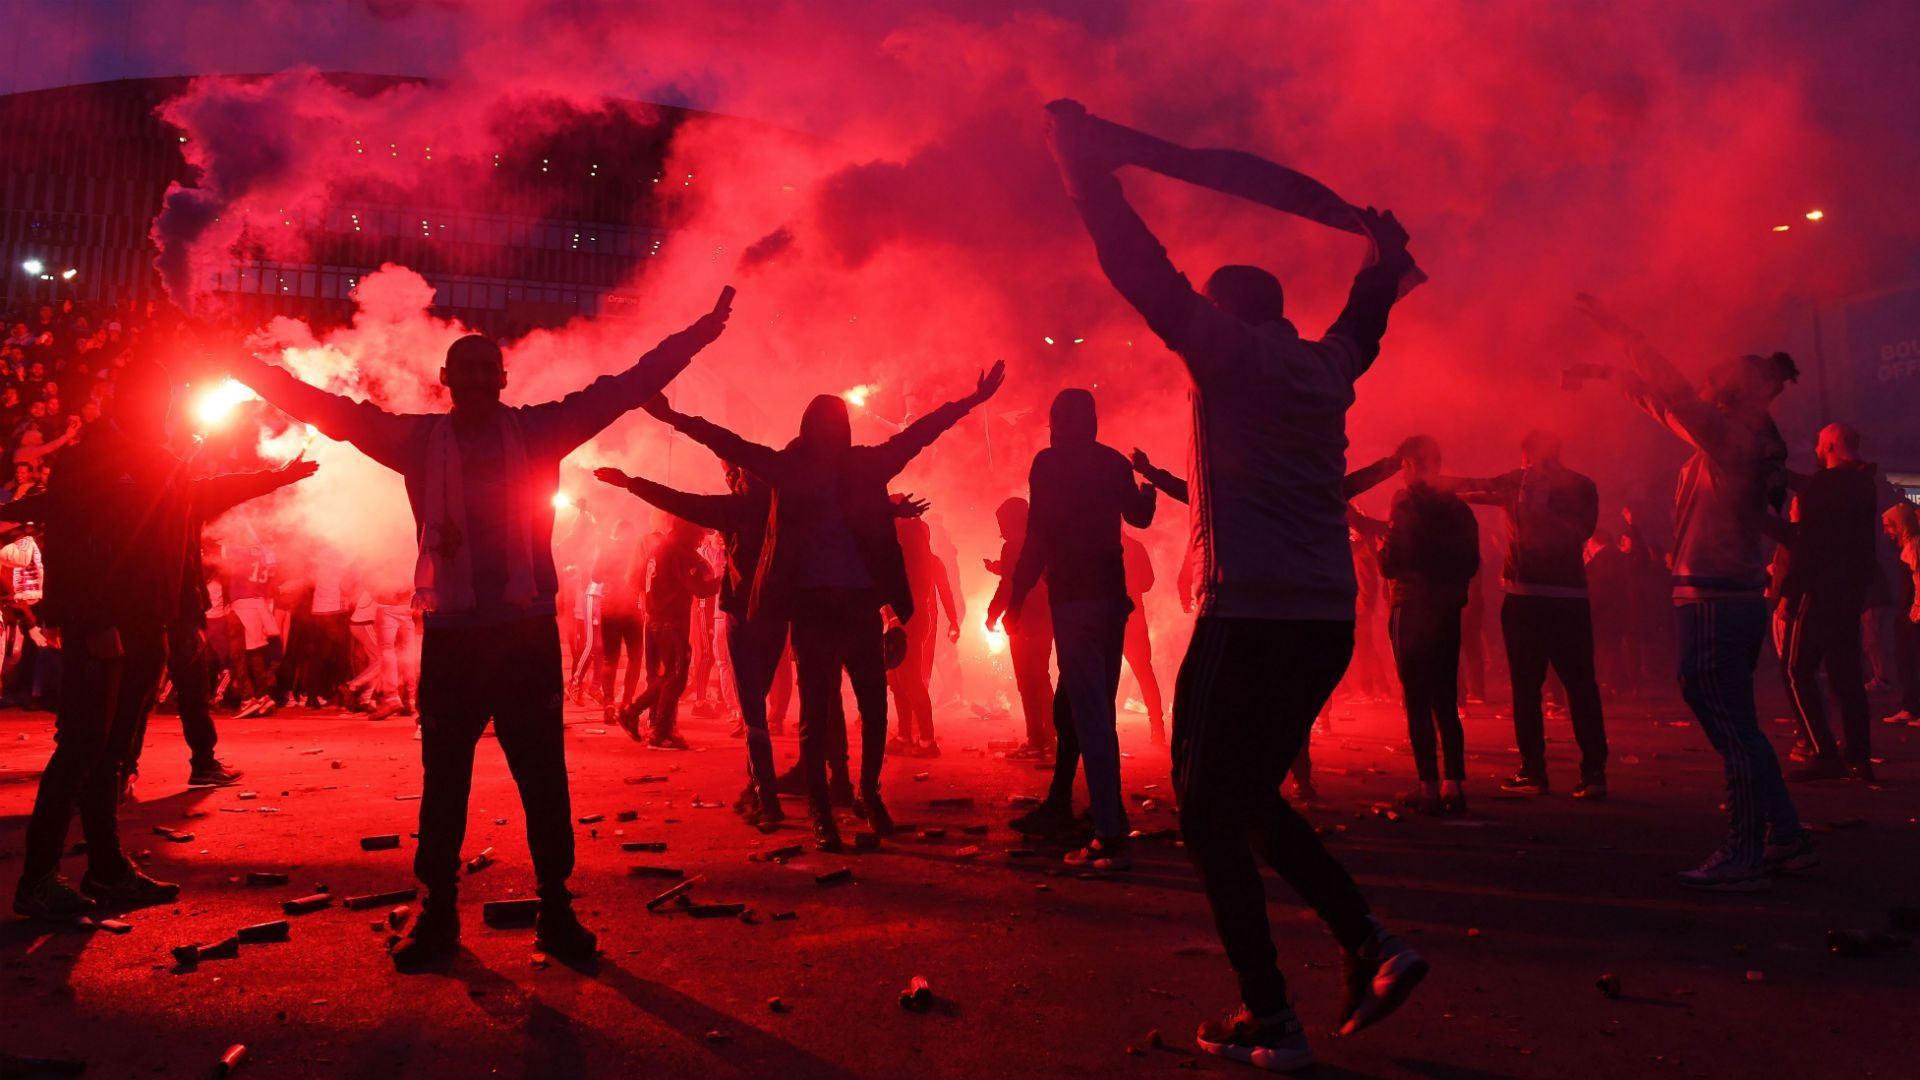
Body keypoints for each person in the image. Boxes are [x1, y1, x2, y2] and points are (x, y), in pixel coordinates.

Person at [1049, 98, 1425, 1071]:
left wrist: (1086, 175)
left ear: (1227, 312)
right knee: (1247, 797)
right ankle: (1369, 947)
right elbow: (1366, 323)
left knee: (1207, 805)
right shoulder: (1325, 366)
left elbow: (1143, 274)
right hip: (1323, 621)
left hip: (1250, 613)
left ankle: (1276, 1013)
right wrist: (1382, 260)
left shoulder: (1230, 354)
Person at [228, 287, 732, 966]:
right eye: (462, 372)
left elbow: (626, 385)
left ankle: (554, 910)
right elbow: (332, 413)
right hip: (459, 636)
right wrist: (241, 367)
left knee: (542, 777)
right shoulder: (423, 439)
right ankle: (439, 914)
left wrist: (698, 332)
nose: (471, 383)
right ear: (448, 383)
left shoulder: (530, 430)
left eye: (481, 372)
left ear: (498, 381)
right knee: (446, 779)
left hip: (520, 635)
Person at [643, 361, 1003, 851]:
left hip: (854, 605)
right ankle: (824, 810)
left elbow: (921, 433)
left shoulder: (859, 466)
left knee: (871, 709)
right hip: (815, 607)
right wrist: (673, 418)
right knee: (823, 713)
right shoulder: (799, 469)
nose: (833, 433)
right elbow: (727, 443)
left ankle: (865, 795)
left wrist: (969, 402)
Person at [10, 357, 315, 919]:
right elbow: (72, 539)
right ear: (138, 404)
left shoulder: (162, 462)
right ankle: (37, 880)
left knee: (111, 754)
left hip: (147, 626)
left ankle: (106, 869)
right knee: (81, 745)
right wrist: (93, 620)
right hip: (105, 628)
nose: (171, 410)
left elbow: (201, 495)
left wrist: (276, 477)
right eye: (163, 400)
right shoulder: (93, 458)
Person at [1577, 295, 1815, 891]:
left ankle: (1743, 854)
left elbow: (1673, 395)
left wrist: (1624, 334)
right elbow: (1669, 403)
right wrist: (1615, 374)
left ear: (1732, 395)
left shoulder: (1734, 439)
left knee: (1731, 725)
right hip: (1726, 596)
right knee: (1738, 724)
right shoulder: (1749, 442)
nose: (1705, 393)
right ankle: (1784, 835)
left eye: (1716, 386)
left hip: (1715, 600)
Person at [1001, 389, 1156, 868]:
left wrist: (1016, 596)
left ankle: (1107, 827)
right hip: (1110, 602)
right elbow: (1140, 517)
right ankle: (1066, 805)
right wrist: (1149, 486)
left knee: (1088, 714)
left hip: (1074, 601)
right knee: (1080, 706)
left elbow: (1038, 537)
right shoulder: (1112, 463)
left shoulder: (1048, 465)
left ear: (1055, 422)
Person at [596, 461, 786, 823]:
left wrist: (630, 483)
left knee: (722, 693)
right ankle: (653, 723)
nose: (733, 482)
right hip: (754, 614)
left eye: (738, 476)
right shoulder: (782, 513)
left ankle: (761, 788)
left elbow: (680, 502)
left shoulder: (728, 514)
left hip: (698, 616)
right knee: (686, 677)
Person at [1448, 430, 1608, 798]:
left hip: (1527, 596)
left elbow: (1472, 488)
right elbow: (1474, 488)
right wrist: (1436, 483)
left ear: (1527, 455)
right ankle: (1593, 772)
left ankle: (1535, 770)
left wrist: (1431, 484)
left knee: (1528, 687)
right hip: (1569, 597)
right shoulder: (1582, 485)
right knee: (1580, 686)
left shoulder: (1526, 483)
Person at [1376, 436, 1479, 815]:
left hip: (1411, 608)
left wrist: (1382, 554)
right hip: (1447, 610)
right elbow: (1471, 562)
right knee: (1445, 699)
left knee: (1417, 700)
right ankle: (1454, 785)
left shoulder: (1405, 503)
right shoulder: (1459, 509)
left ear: (1414, 466)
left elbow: (1392, 560)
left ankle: (1428, 787)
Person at [1775, 424, 1879, 782]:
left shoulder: (1828, 484)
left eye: (1820, 444)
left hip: (1818, 593)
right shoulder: (1863, 484)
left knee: (1795, 669)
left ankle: (1822, 751)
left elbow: (1809, 543)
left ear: (1832, 445)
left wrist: (1790, 591)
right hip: (1848, 595)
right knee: (1845, 675)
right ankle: (1859, 757)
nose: (1817, 450)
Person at [620, 513, 718, 749]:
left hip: (654, 619)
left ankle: (642, 717)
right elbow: (701, 589)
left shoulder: (659, 548)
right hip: (670, 621)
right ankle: (657, 730)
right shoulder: (680, 552)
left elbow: (634, 580)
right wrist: (728, 580)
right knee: (676, 675)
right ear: (689, 531)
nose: (701, 541)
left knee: (668, 676)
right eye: (699, 535)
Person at [888, 497, 957, 756]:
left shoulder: (917, 559)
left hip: (907, 623)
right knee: (897, 680)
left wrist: (896, 617)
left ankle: (927, 741)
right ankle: (906, 735)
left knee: (910, 680)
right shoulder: (905, 555)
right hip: (903, 622)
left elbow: (918, 594)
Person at [985, 496, 1053, 758]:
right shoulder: (1040, 542)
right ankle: (1049, 737)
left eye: (1001, 523)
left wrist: (993, 615)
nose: (1000, 530)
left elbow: (1009, 585)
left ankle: (1037, 739)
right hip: (1045, 618)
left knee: (1028, 681)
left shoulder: (1013, 545)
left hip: (1024, 620)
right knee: (1041, 677)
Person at [1120, 532, 1167, 746]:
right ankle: (1157, 728)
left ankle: (1100, 729)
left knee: (1100, 673)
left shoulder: (1093, 539)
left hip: (1104, 615)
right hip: (1133, 615)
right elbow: (1148, 581)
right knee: (1144, 671)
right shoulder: (1135, 546)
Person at [1880, 502, 1920, 726]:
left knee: (1912, 661)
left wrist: (1915, 611)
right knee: (1906, 661)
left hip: (1913, 614)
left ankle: (1913, 707)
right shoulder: (1908, 546)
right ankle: (1910, 707)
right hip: (1907, 613)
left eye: (1889, 526)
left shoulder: (1914, 547)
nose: (1886, 531)